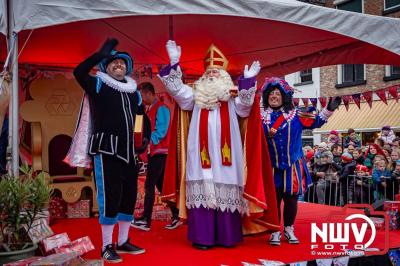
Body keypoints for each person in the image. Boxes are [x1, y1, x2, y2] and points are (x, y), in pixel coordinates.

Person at [158, 40, 269, 249]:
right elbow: (177, 91)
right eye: (208, 72)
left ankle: (227, 237)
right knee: (203, 186)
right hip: (200, 155)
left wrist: (249, 80)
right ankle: (203, 238)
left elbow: (246, 107)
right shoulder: (194, 95)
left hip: (228, 155)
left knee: (226, 187)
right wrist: (173, 63)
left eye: (216, 72)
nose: (211, 75)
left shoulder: (232, 97)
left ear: (225, 77)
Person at [71, 38, 147, 263]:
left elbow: (140, 119)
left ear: (128, 67)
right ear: (106, 66)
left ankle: (123, 241)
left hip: (130, 153)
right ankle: (107, 245)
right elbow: (78, 72)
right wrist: (98, 55)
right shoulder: (98, 84)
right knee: (110, 198)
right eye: (113, 62)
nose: (118, 66)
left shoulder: (135, 92)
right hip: (106, 151)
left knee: (128, 198)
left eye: (122, 63)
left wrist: (142, 140)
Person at [260, 77, 341, 245]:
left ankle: (289, 228)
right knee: (274, 199)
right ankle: (274, 230)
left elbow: (316, 122)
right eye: (271, 94)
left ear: (284, 96)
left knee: (291, 199)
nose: (274, 96)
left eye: (277, 93)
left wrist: (329, 110)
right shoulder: (260, 117)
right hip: (271, 166)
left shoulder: (296, 115)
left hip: (293, 165)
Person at [132, 82, 181, 231]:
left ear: (148, 93)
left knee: (149, 185)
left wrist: (147, 141)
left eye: (141, 95)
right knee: (162, 187)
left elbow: (162, 130)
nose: (141, 99)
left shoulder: (162, 108)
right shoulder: (149, 110)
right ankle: (177, 215)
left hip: (161, 152)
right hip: (155, 152)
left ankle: (146, 220)